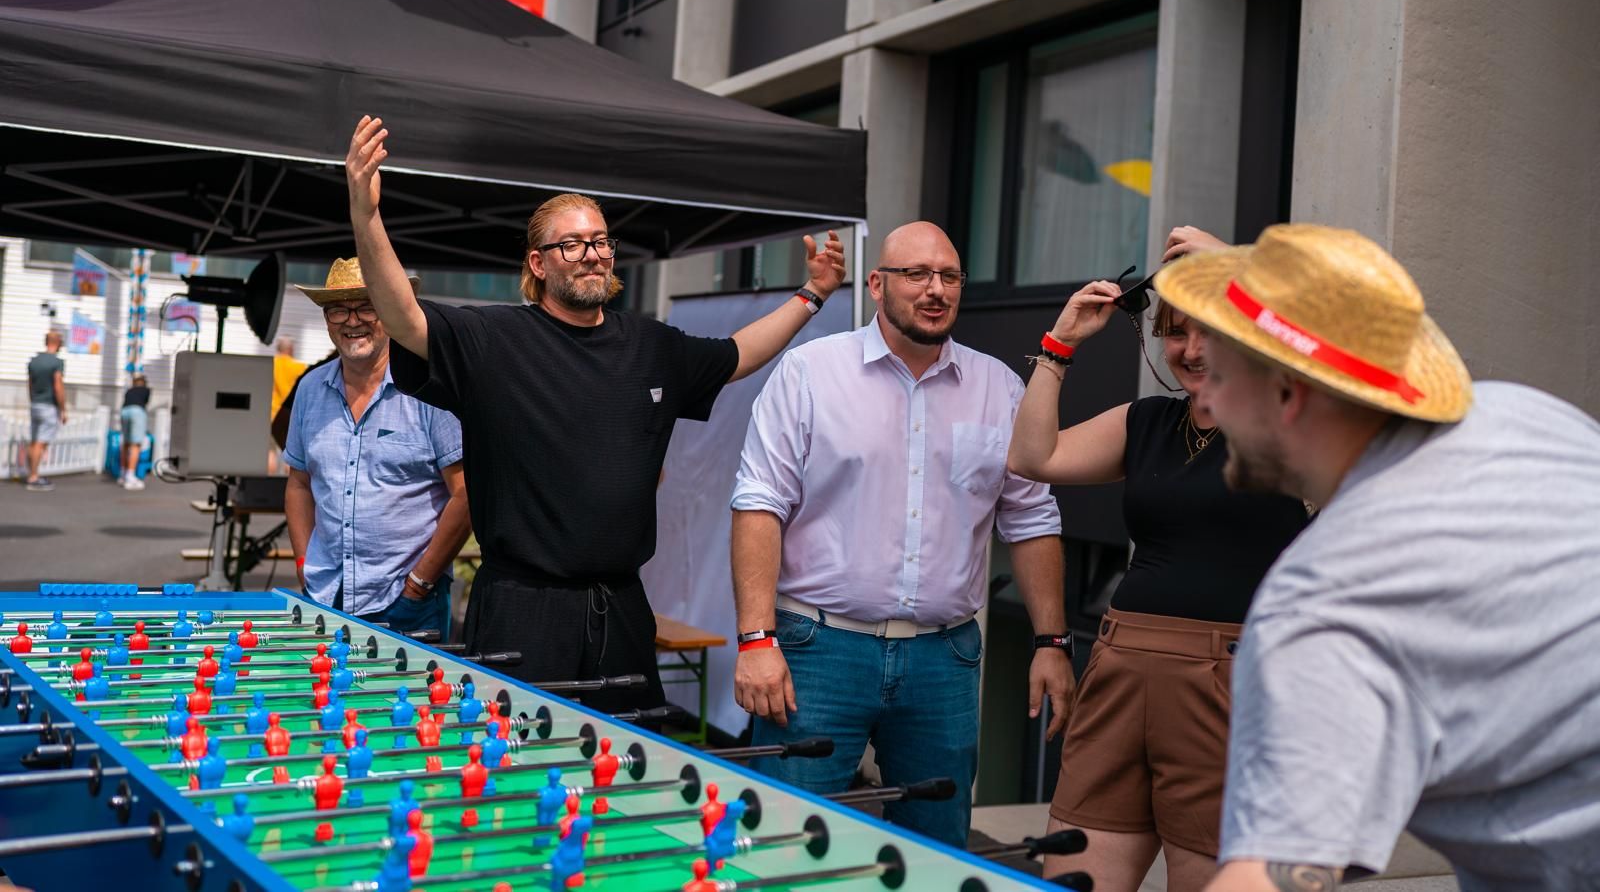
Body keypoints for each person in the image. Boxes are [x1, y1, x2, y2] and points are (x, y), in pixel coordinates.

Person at [1144, 223, 1600, 892]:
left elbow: (1273, 878)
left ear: (1287, 396)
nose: (1205, 400)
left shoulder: (1326, 602)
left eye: (1217, 374)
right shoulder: (1528, 416)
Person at [342, 115, 847, 711]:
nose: (592, 255)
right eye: (573, 244)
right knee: (519, 782)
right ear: (539, 263)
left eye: (601, 241)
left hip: (622, 610)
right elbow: (404, 318)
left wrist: (811, 296)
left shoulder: (652, 345)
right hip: (520, 614)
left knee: (626, 782)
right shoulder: (495, 339)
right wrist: (365, 215)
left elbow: (738, 356)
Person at [729, 222, 1071, 848]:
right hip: (817, 651)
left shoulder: (999, 388)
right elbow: (759, 504)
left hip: (945, 660)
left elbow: (1031, 519)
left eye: (949, 276)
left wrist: (1051, 639)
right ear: (878, 285)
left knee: (936, 850)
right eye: (917, 275)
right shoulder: (809, 373)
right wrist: (755, 638)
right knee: (789, 844)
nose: (935, 289)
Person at [1006, 226, 1309, 891]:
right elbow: (1032, 457)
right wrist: (1060, 345)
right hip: (1120, 668)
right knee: (1074, 878)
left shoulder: (1287, 422)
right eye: (1175, 333)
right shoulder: (1147, 421)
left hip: (1225, 678)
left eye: (1210, 329)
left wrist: (1237, 266)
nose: (1191, 351)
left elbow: (1328, 348)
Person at [283, 257, 472, 641]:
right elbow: (299, 484)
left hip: (407, 601)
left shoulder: (430, 389)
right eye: (338, 309)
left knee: (406, 702)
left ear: (390, 311)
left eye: (368, 306)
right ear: (326, 319)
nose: (353, 321)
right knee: (325, 701)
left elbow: (466, 493)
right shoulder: (310, 389)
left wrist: (419, 583)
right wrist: (305, 564)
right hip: (325, 595)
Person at [24, 330, 66, 491]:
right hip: (49, 406)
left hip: (35, 404)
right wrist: (63, 409)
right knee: (40, 444)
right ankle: (34, 478)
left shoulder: (34, 362)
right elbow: (58, 386)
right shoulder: (56, 362)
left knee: (34, 441)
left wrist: (33, 400)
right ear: (57, 343)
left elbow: (29, 384)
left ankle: (31, 474)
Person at [270, 337, 307, 475]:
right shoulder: (299, 368)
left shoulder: (271, 365)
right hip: (289, 415)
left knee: (270, 453)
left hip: (271, 414)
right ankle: (288, 482)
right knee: (292, 455)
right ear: (291, 350)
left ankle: (268, 483)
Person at [120, 374, 151, 491]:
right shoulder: (146, 390)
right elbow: (145, 402)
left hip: (125, 411)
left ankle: (123, 474)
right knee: (135, 444)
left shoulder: (129, 391)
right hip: (137, 412)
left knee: (126, 443)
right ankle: (130, 476)